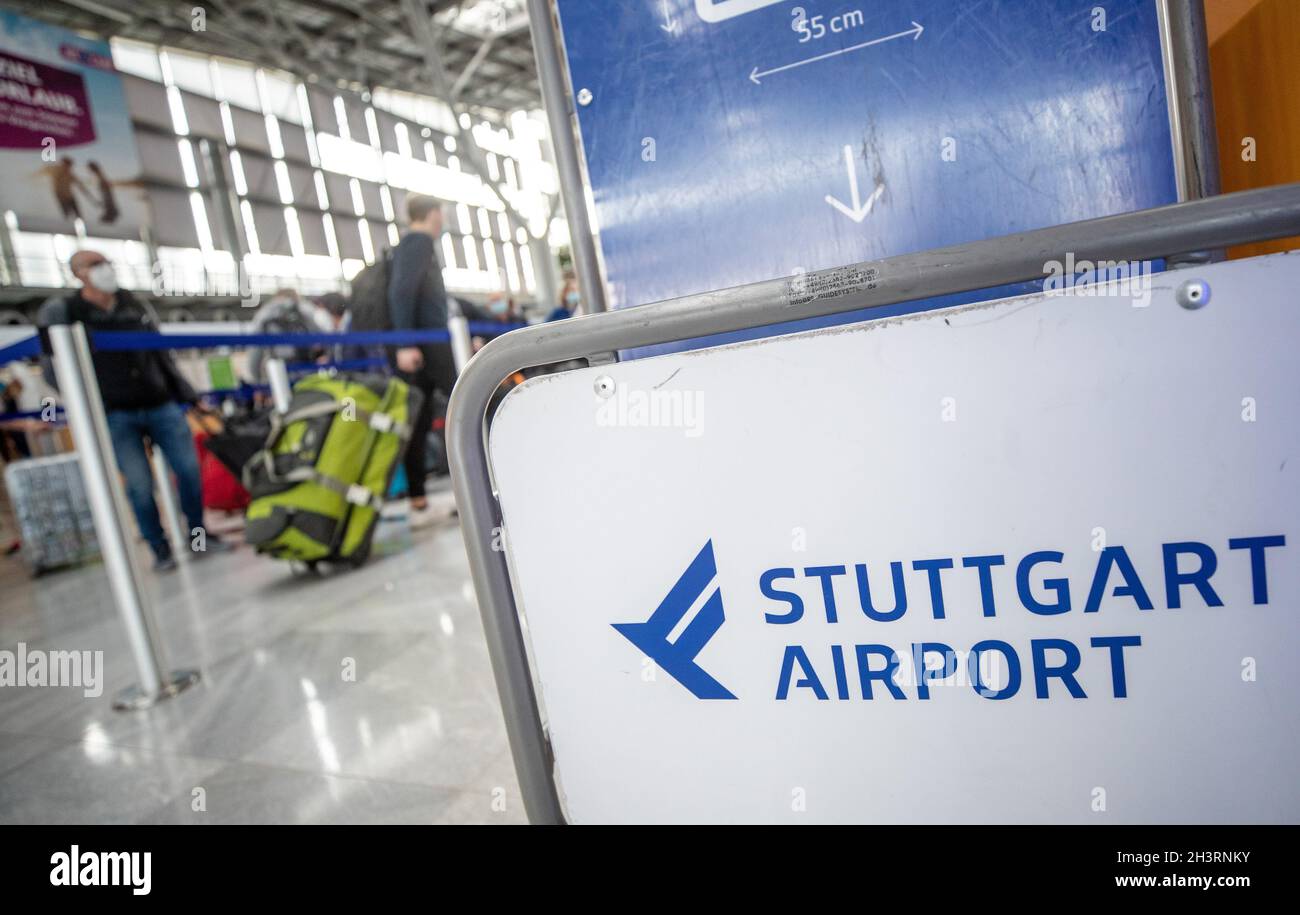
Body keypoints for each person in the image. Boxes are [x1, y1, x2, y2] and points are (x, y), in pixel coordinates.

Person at [38, 250, 232, 571]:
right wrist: (85, 400)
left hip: (159, 403)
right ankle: (160, 551)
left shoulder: (134, 305)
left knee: (188, 472)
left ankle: (199, 538)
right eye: (94, 265)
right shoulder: (65, 311)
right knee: (140, 486)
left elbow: (161, 355)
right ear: (77, 274)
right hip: (116, 413)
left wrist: (187, 394)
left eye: (106, 262)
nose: (105, 269)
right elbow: (51, 366)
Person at [387, 194, 458, 528]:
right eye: (441, 214)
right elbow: (401, 291)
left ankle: (418, 500)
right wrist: (405, 343)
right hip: (427, 345)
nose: (443, 221)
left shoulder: (412, 245)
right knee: (467, 402)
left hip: (425, 344)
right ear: (431, 214)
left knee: (419, 419)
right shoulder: (417, 243)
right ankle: (490, 477)